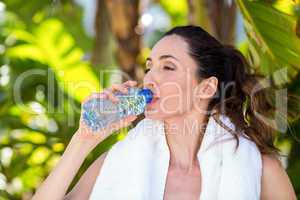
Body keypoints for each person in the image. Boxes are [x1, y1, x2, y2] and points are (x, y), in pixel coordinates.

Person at [32, 25, 297, 200]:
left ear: (206, 87)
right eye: (149, 67)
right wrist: (83, 140)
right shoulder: (117, 162)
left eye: (167, 68)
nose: (149, 78)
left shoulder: (261, 169)